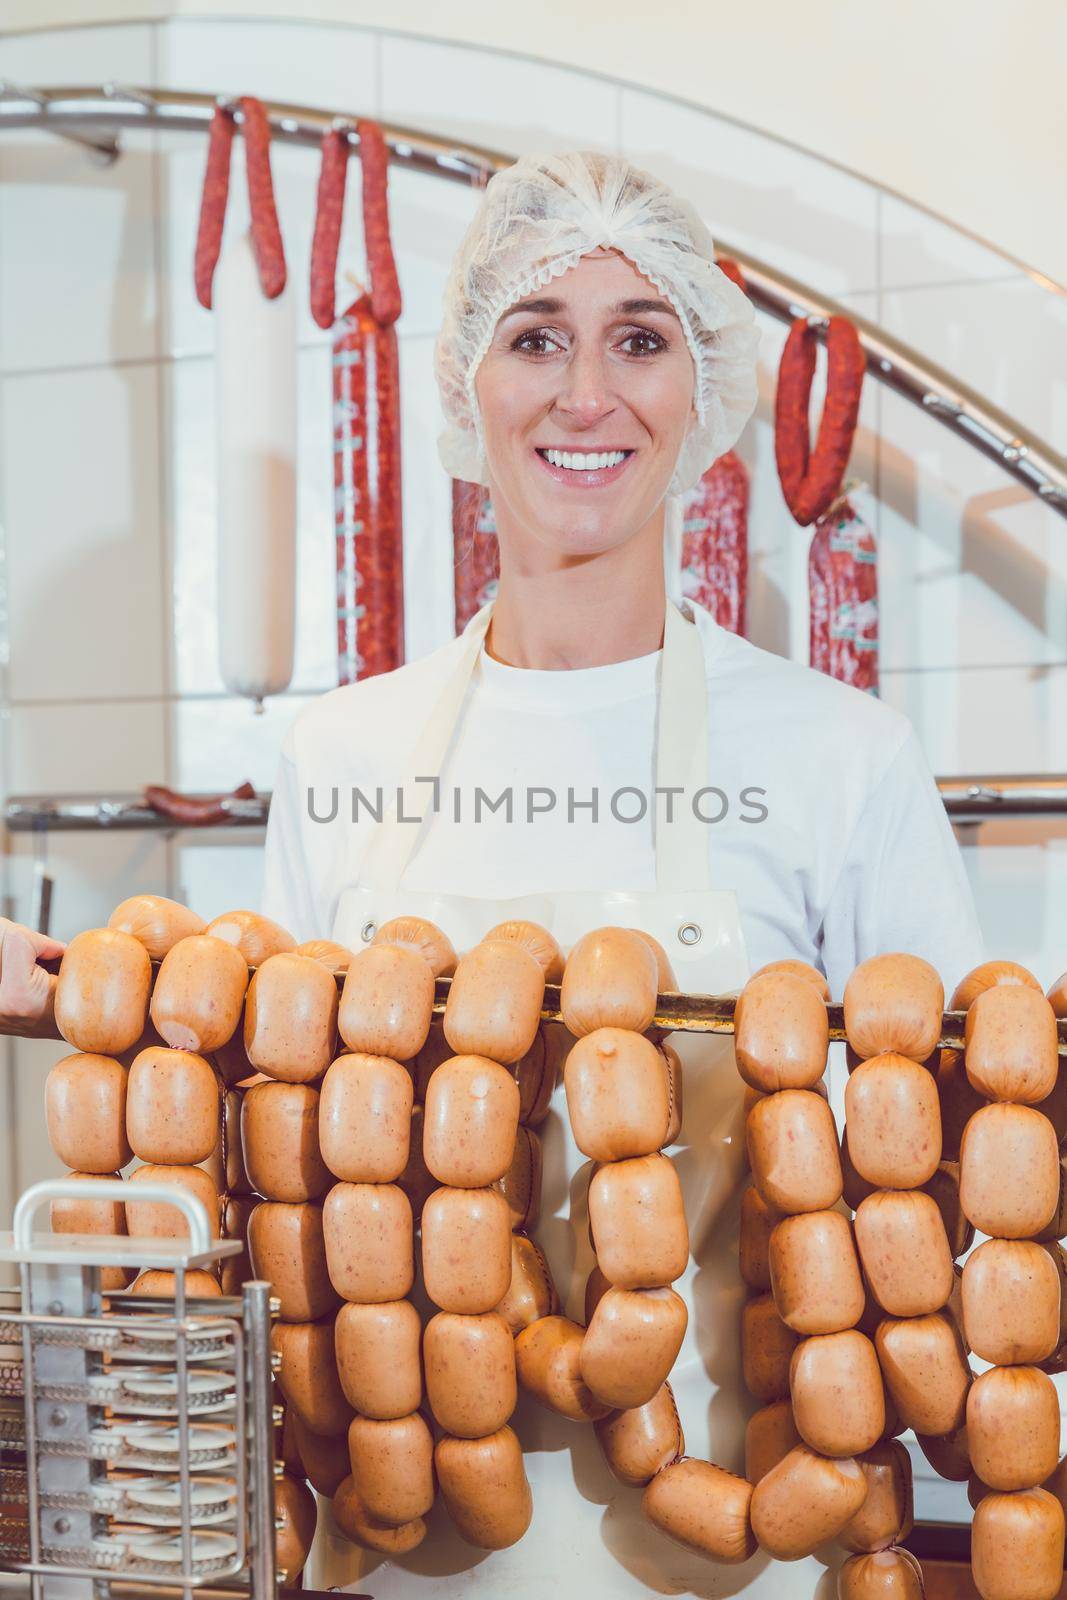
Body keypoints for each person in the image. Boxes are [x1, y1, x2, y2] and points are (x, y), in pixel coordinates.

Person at [0, 150, 984, 1598]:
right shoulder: (341, 751)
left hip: (753, 1537)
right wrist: (76, 995)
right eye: (537, 338)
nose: (588, 396)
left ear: (698, 389)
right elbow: (262, 1157)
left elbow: (959, 1167)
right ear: (471, 381)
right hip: (394, 1546)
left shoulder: (845, 756)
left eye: (639, 339)